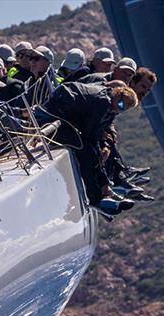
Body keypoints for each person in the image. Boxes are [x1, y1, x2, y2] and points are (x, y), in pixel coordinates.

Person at [37, 82, 139, 216]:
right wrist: (99, 152)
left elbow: (102, 129)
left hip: (66, 122)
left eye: (123, 109)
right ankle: (96, 198)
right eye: (120, 105)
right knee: (86, 152)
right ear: (118, 94)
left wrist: (105, 146)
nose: (119, 110)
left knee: (93, 151)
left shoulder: (111, 103)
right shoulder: (103, 102)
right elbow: (89, 134)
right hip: (51, 121)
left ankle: (106, 189)